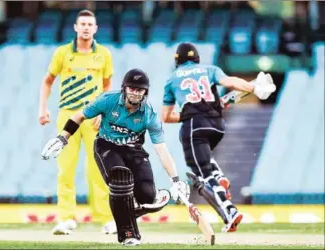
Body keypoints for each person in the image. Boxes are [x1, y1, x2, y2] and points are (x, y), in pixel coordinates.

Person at [41, 68, 190, 246]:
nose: (135, 92)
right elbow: (79, 116)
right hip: (106, 145)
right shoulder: (107, 100)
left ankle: (134, 205)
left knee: (147, 197)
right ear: (124, 88)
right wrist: (62, 138)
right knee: (120, 179)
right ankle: (128, 234)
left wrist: (175, 180)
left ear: (145, 92)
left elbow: (161, 149)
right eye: (132, 88)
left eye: (139, 89)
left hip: (134, 150)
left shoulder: (149, 114)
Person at [160, 42, 276, 232]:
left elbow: (165, 116)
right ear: (196, 58)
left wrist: (189, 114)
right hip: (217, 125)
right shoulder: (210, 69)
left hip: (194, 127)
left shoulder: (172, 80)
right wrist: (253, 88)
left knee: (202, 174)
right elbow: (230, 82)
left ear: (177, 61)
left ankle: (229, 211)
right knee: (206, 160)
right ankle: (219, 176)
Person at [38, 9, 115, 235]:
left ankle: (106, 219)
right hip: (67, 116)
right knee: (65, 169)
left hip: (93, 118)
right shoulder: (63, 53)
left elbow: (108, 86)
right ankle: (66, 219)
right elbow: (47, 82)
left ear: (95, 28)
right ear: (75, 27)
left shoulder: (103, 54)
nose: (85, 28)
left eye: (89, 24)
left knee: (98, 169)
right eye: (82, 24)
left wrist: (104, 112)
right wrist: (43, 109)